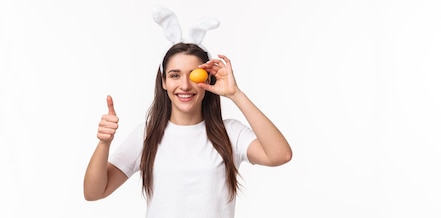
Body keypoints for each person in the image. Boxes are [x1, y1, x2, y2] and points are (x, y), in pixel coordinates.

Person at [83, 42, 292, 217]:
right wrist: (104, 143)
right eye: (175, 75)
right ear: (164, 82)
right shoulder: (147, 135)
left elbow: (280, 155)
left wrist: (235, 93)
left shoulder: (229, 133)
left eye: (194, 75)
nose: (184, 85)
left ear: (207, 80)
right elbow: (94, 192)